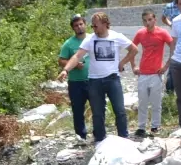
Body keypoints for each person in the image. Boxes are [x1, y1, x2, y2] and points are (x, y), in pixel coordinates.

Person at [57, 12, 135, 142]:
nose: (93, 29)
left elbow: (134, 50)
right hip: (94, 81)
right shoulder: (90, 39)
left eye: (96, 26)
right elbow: (77, 56)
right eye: (92, 26)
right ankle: (100, 139)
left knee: (120, 110)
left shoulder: (117, 36)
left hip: (112, 79)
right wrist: (66, 70)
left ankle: (124, 138)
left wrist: (122, 62)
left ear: (105, 24)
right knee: (97, 113)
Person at [124, 9, 172, 137]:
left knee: (156, 102)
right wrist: (134, 66)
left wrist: (166, 65)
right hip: (143, 73)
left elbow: (173, 47)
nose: (147, 23)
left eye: (150, 19)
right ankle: (141, 127)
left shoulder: (162, 33)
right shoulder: (140, 33)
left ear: (155, 19)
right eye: (145, 20)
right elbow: (132, 49)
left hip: (156, 73)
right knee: (142, 102)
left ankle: (155, 126)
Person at [58, 14, 91, 143]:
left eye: (81, 24)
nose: (79, 27)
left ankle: (99, 134)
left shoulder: (93, 39)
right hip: (76, 82)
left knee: (98, 107)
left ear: (85, 24)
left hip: (93, 80)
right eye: (76, 25)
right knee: (77, 110)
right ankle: (81, 136)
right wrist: (75, 65)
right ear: (73, 28)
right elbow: (61, 60)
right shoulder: (69, 43)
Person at [161, 0, 181, 96]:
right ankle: (170, 96)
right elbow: (163, 18)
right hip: (175, 42)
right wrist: (170, 24)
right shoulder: (169, 7)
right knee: (173, 66)